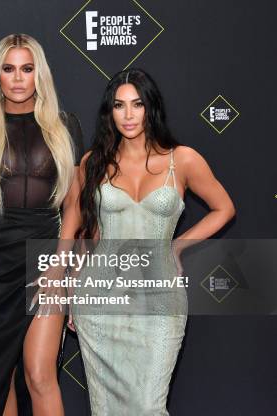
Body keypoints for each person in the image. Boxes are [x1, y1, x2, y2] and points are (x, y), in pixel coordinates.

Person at [71, 68, 235, 415]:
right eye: (119, 105)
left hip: (160, 297)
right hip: (99, 298)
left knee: (147, 406)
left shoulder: (182, 159)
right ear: (109, 112)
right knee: (106, 409)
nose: (128, 115)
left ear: (151, 108)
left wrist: (177, 245)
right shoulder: (93, 162)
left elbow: (224, 208)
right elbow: (90, 233)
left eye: (137, 104)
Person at [0, 34, 84, 416]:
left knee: (38, 373)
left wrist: (60, 267)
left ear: (39, 75)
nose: (18, 78)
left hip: (45, 256)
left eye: (27, 69)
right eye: (9, 68)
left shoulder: (65, 127)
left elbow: (74, 205)